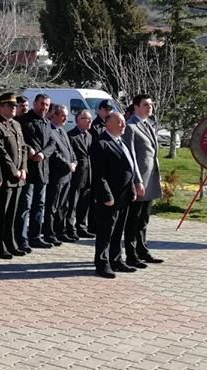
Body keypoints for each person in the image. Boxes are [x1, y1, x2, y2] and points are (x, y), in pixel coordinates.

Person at [91, 112, 144, 279]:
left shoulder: (122, 142)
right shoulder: (101, 143)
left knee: (118, 230)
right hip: (110, 197)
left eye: (124, 122)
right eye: (120, 122)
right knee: (106, 231)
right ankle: (102, 263)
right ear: (108, 123)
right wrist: (106, 195)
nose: (123, 125)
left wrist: (132, 189)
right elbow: (99, 174)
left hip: (124, 195)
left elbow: (129, 169)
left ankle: (116, 260)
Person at [123, 94, 164, 267]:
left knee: (144, 219)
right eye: (146, 105)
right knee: (134, 219)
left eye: (151, 104)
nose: (150, 107)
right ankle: (131, 254)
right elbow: (130, 157)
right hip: (139, 181)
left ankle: (143, 250)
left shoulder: (149, 124)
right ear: (136, 107)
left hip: (150, 180)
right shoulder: (130, 126)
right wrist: (137, 181)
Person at [0, 92, 28, 259]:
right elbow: (1, 152)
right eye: (10, 106)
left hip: (19, 178)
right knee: (2, 214)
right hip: (6, 178)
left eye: (15, 106)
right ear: (1, 107)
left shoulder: (16, 124)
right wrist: (14, 171)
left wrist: (24, 168)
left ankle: (11, 243)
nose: (14, 108)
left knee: (12, 214)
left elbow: (23, 148)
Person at [16, 94, 55, 251]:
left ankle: (35, 236)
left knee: (39, 205)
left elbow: (52, 142)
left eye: (47, 105)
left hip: (43, 169)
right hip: (29, 170)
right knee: (25, 205)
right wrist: (29, 150)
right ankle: (21, 238)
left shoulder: (47, 122)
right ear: (35, 103)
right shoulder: (23, 120)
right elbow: (20, 141)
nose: (44, 107)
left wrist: (43, 154)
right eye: (42, 104)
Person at [43, 104, 77, 244]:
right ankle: (49, 233)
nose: (65, 119)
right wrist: (67, 164)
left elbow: (70, 150)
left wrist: (74, 161)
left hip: (67, 175)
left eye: (66, 116)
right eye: (62, 116)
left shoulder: (62, 131)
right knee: (53, 205)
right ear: (54, 115)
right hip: (56, 175)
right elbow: (54, 153)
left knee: (63, 206)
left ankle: (60, 231)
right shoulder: (50, 130)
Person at [65, 110, 96, 239]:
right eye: (87, 118)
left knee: (84, 203)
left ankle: (81, 227)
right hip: (76, 175)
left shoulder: (89, 136)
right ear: (78, 120)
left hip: (88, 175)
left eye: (90, 118)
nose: (90, 121)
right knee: (73, 203)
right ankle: (70, 228)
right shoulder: (71, 136)